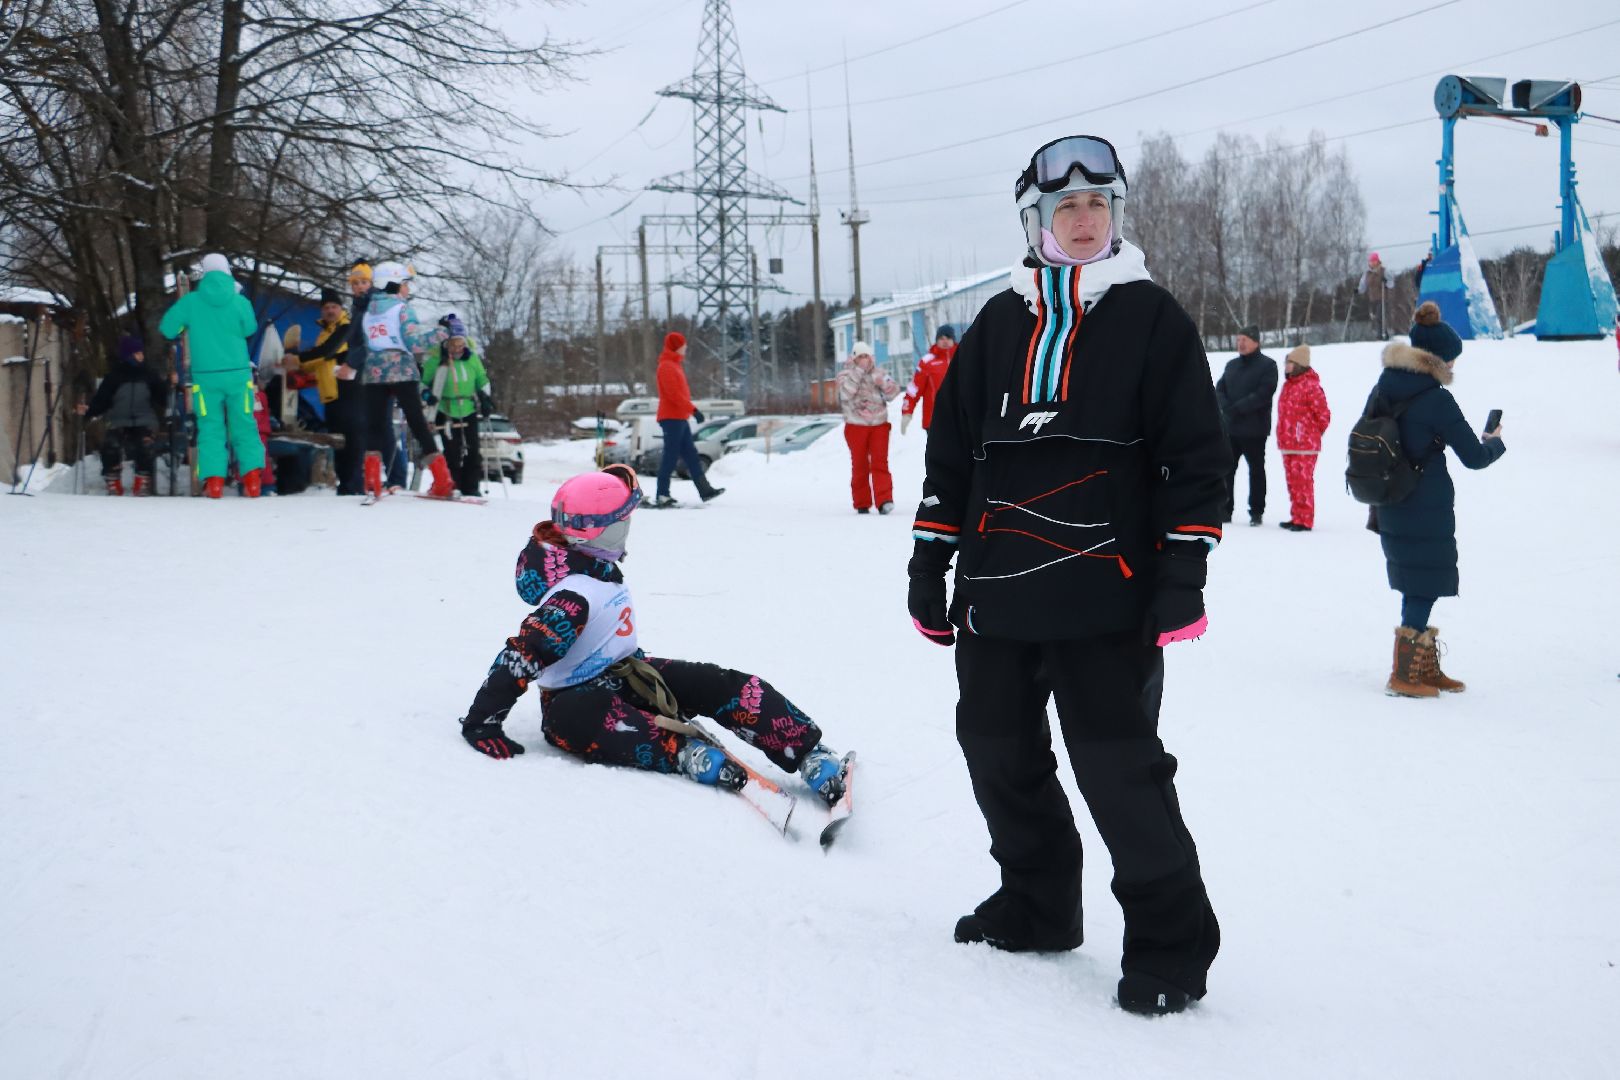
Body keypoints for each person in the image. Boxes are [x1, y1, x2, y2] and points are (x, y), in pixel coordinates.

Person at [905, 134, 1225, 1016]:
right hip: (999, 593)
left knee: (1119, 772)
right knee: (997, 754)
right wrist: (931, 557)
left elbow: (1195, 455)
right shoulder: (997, 327)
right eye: (1064, 209)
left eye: (1098, 207)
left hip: (1107, 593)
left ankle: (1170, 947)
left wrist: (1184, 568)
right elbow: (952, 454)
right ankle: (1037, 904)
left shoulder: (1153, 318)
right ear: (1035, 222)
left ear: (1116, 216)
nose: (1083, 222)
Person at [456, 466, 850, 811]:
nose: (626, 532)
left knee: (719, 682)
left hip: (630, 674)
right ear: (592, 534)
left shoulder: (593, 562)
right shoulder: (573, 597)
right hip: (573, 701)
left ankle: (804, 749)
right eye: (619, 526)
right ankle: (681, 752)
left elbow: (609, 486)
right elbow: (522, 655)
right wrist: (482, 723)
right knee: (584, 717)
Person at [1367, 301, 1504, 697]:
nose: (1454, 369)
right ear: (1437, 359)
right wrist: (1494, 443)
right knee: (1423, 583)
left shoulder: (1384, 386)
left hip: (1389, 498)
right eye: (1452, 361)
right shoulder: (1435, 398)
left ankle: (1422, 667)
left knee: (1417, 580)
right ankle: (1405, 674)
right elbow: (1474, 458)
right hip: (1424, 503)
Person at [158, 253, 265, 499]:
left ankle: (214, 482)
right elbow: (250, 328)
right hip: (238, 375)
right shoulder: (239, 301)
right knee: (245, 425)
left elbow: (167, 328)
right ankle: (252, 480)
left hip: (205, 377)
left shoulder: (191, 302)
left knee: (210, 428)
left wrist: (186, 325)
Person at [357, 261, 451, 498]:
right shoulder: (402, 309)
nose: (408, 288)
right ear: (394, 283)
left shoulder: (369, 311)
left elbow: (369, 342)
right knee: (417, 423)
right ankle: (442, 480)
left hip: (374, 371)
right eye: (405, 283)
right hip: (401, 369)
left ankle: (371, 482)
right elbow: (415, 343)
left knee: (375, 426)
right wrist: (442, 332)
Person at [288, 285, 362, 494]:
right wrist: (301, 372)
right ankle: (345, 486)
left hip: (349, 394)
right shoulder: (325, 333)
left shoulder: (347, 327)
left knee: (351, 443)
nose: (330, 311)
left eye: (334, 307)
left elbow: (326, 352)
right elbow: (319, 362)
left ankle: (354, 486)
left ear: (341, 308)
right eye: (326, 307)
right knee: (337, 442)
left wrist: (297, 359)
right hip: (331, 396)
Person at [77, 335, 168, 496]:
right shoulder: (114, 377)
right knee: (111, 445)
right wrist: (89, 410)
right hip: (119, 420)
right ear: (129, 355)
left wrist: (169, 386)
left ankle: (142, 479)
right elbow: (102, 400)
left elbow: (162, 397)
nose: (142, 356)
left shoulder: (149, 375)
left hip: (144, 419)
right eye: (138, 353)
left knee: (145, 444)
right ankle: (113, 480)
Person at [420, 314, 494, 497]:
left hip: (467, 407)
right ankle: (453, 483)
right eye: (453, 343)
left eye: (460, 343)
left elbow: (481, 378)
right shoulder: (436, 359)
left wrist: (486, 398)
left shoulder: (472, 358)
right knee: (452, 450)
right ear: (446, 342)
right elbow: (423, 383)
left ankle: (472, 486)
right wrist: (427, 394)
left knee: (473, 448)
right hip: (445, 409)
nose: (457, 347)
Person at [1214, 325, 1278, 526]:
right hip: (1231, 428)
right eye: (1238, 339)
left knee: (1256, 471)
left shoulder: (1268, 365)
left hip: (1255, 429)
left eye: (1245, 340)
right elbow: (1220, 388)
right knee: (1226, 471)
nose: (1240, 343)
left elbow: (1263, 394)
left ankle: (1256, 512)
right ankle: (1225, 510)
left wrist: (1237, 408)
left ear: (1256, 342)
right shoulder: (1232, 365)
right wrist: (1226, 407)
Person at [652, 332, 723, 509]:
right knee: (670, 456)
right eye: (683, 344)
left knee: (691, 455)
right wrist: (693, 410)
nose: (686, 347)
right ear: (676, 346)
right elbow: (673, 395)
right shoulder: (666, 367)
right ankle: (662, 494)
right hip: (671, 418)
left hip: (679, 418)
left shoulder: (675, 365)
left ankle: (705, 490)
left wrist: (689, 411)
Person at [836, 340, 900, 514]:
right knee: (860, 464)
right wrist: (858, 372)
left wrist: (884, 385)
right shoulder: (845, 375)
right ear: (854, 358)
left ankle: (884, 500)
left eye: (867, 356)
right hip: (856, 425)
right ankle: (862, 502)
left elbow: (894, 393)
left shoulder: (879, 373)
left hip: (879, 424)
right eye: (860, 356)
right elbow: (845, 394)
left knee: (880, 462)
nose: (864, 359)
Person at [1275, 344, 1332, 532]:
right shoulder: (1288, 386)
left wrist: (1309, 433)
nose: (1286, 366)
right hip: (1288, 443)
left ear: (1298, 364)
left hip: (1304, 445)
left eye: (1289, 362)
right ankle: (1296, 517)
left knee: (1303, 482)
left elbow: (1323, 415)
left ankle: (1305, 520)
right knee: (1292, 482)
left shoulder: (1311, 386)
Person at [899, 325, 957, 435]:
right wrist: (907, 412)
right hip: (935, 421)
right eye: (941, 338)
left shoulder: (964, 358)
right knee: (940, 453)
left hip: (961, 420)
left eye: (948, 338)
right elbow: (913, 389)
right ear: (936, 341)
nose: (945, 341)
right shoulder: (927, 362)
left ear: (953, 340)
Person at [1358, 252, 1394, 340]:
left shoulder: (1384, 271)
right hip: (1373, 299)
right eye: (1371, 261)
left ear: (1378, 261)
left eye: (1374, 261)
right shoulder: (1367, 274)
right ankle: (1384, 333)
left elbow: (1391, 283)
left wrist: (1386, 281)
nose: (1373, 263)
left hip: (1382, 298)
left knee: (1380, 316)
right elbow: (1363, 285)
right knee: (1375, 318)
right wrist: (1358, 290)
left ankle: (1381, 335)